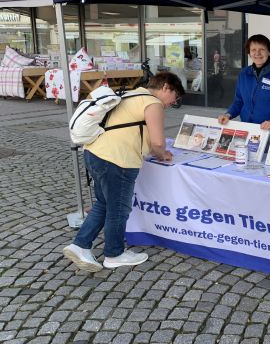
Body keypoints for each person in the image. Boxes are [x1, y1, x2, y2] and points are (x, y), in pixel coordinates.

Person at [63, 72, 185, 272]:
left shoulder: (130, 95)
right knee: (118, 209)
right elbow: (157, 142)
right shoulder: (152, 103)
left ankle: (80, 244)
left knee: (104, 204)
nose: (174, 103)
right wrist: (163, 154)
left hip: (94, 153)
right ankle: (114, 254)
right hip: (117, 161)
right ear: (165, 87)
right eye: (175, 97)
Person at [218, 34, 270, 130]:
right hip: (248, 128)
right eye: (253, 50)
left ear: (269, 51)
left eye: (262, 49)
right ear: (249, 53)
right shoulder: (244, 74)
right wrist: (228, 115)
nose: (257, 53)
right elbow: (239, 102)